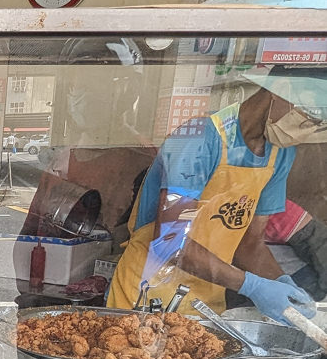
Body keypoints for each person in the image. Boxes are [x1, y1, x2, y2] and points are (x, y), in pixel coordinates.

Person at [107, 65, 327, 323]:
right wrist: (251, 286)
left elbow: (250, 245)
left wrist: (282, 285)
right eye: (312, 116)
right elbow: (170, 241)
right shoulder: (198, 139)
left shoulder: (280, 154)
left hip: (207, 304)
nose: (310, 128)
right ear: (279, 90)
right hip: (146, 296)